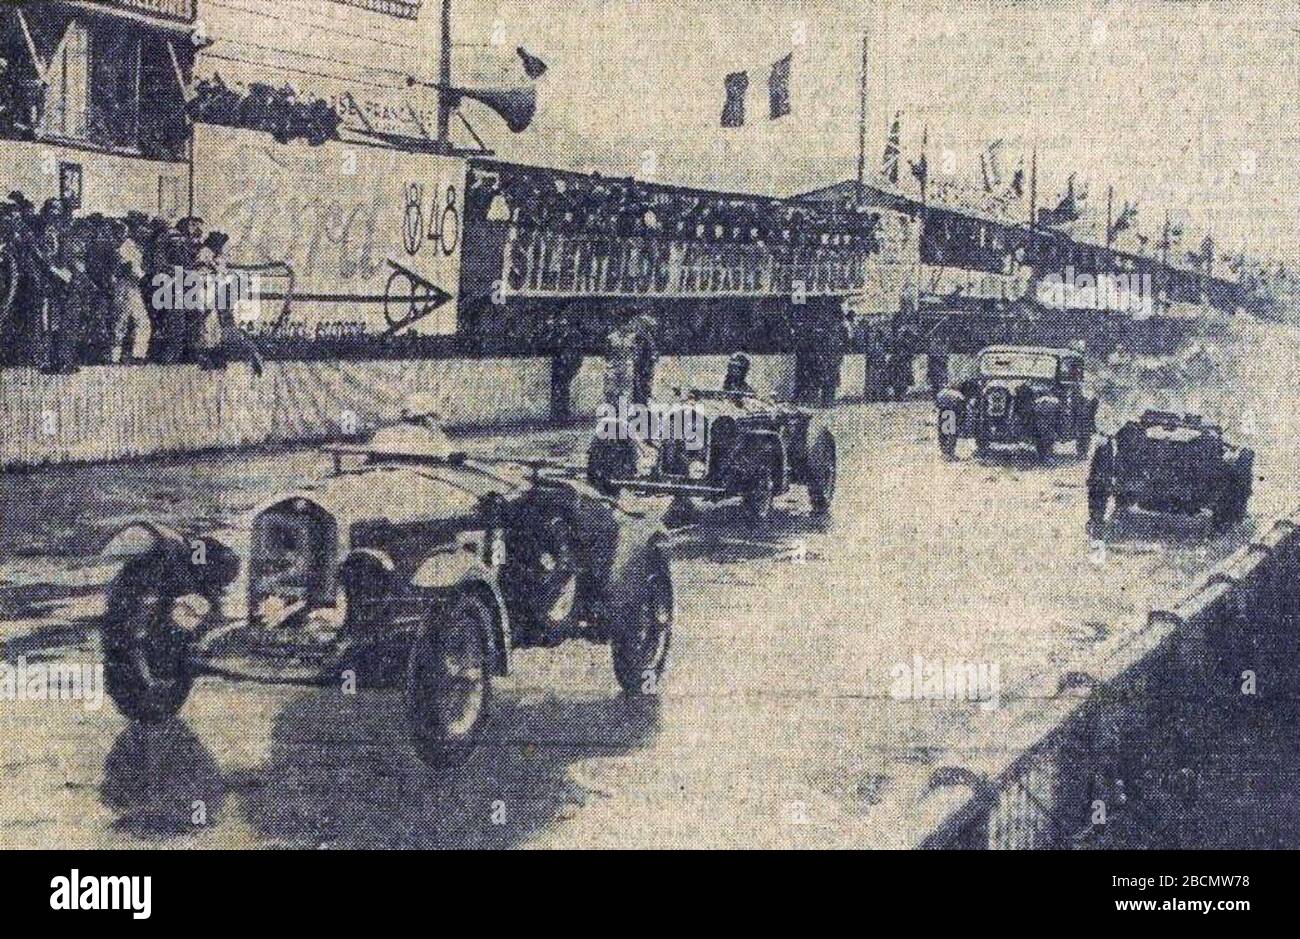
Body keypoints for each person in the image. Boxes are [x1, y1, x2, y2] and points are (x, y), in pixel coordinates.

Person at [108, 219, 150, 362]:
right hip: (126, 286)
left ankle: (134, 354)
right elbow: (130, 268)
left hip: (130, 286)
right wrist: (144, 277)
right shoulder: (124, 246)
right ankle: (120, 355)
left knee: (133, 320)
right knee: (124, 320)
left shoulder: (128, 245)